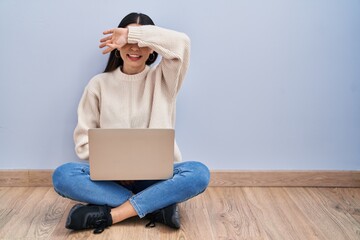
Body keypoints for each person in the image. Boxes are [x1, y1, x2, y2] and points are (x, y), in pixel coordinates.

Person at [52, 12, 210, 234]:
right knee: (63, 175)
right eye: (128, 42)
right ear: (117, 46)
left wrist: (131, 34)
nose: (134, 48)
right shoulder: (98, 85)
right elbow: (83, 140)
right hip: (112, 180)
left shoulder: (165, 79)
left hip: (155, 178)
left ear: (153, 47)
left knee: (199, 172)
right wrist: (116, 167)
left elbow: (182, 43)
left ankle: (113, 214)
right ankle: (156, 206)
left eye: (141, 42)